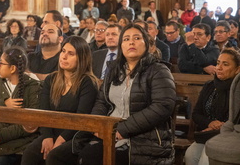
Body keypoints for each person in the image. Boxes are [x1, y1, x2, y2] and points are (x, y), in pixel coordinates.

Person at [56, 23, 176, 165]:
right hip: (108, 132)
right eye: (126, 39)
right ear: (121, 46)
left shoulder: (158, 70)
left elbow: (162, 106)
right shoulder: (114, 70)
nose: (131, 42)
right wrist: (98, 125)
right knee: (61, 156)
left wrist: (122, 129)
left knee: (95, 158)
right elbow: (102, 102)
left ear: (146, 44)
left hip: (144, 138)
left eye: (137, 38)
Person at [21, 36, 100, 165]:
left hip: (76, 134)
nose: (64, 56)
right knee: (30, 153)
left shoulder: (87, 82)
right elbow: (44, 111)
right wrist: (47, 137)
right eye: (63, 51)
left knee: (54, 156)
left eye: (71, 53)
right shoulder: (51, 79)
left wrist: (61, 139)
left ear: (81, 58)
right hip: (51, 131)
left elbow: (81, 117)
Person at [185, 49, 240, 165]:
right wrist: (210, 123)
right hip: (207, 133)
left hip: (229, 137)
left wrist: (221, 127)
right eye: (218, 63)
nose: (219, 67)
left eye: (225, 64)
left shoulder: (238, 91)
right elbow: (196, 114)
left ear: (237, 69)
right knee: (190, 154)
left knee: (206, 158)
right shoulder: (209, 86)